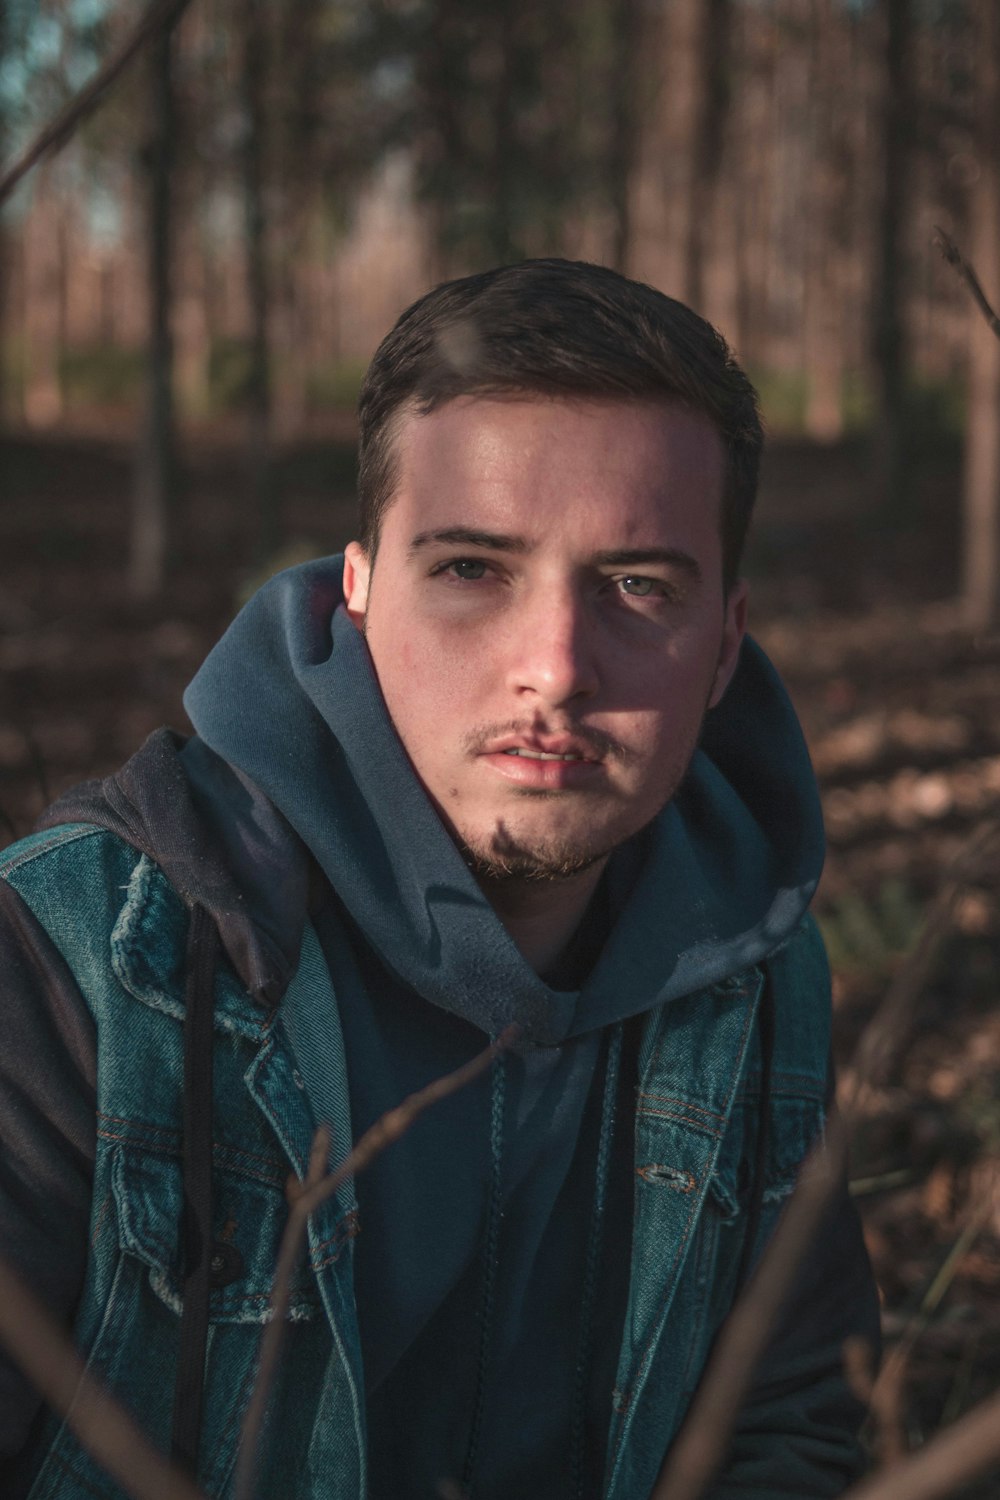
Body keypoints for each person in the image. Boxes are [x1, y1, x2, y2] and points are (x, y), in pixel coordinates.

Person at [0, 259, 878, 1499]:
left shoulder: (756, 969)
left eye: (636, 585)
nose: (555, 668)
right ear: (357, 594)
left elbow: (790, 1420)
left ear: (727, 642)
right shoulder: (77, 956)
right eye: (472, 569)